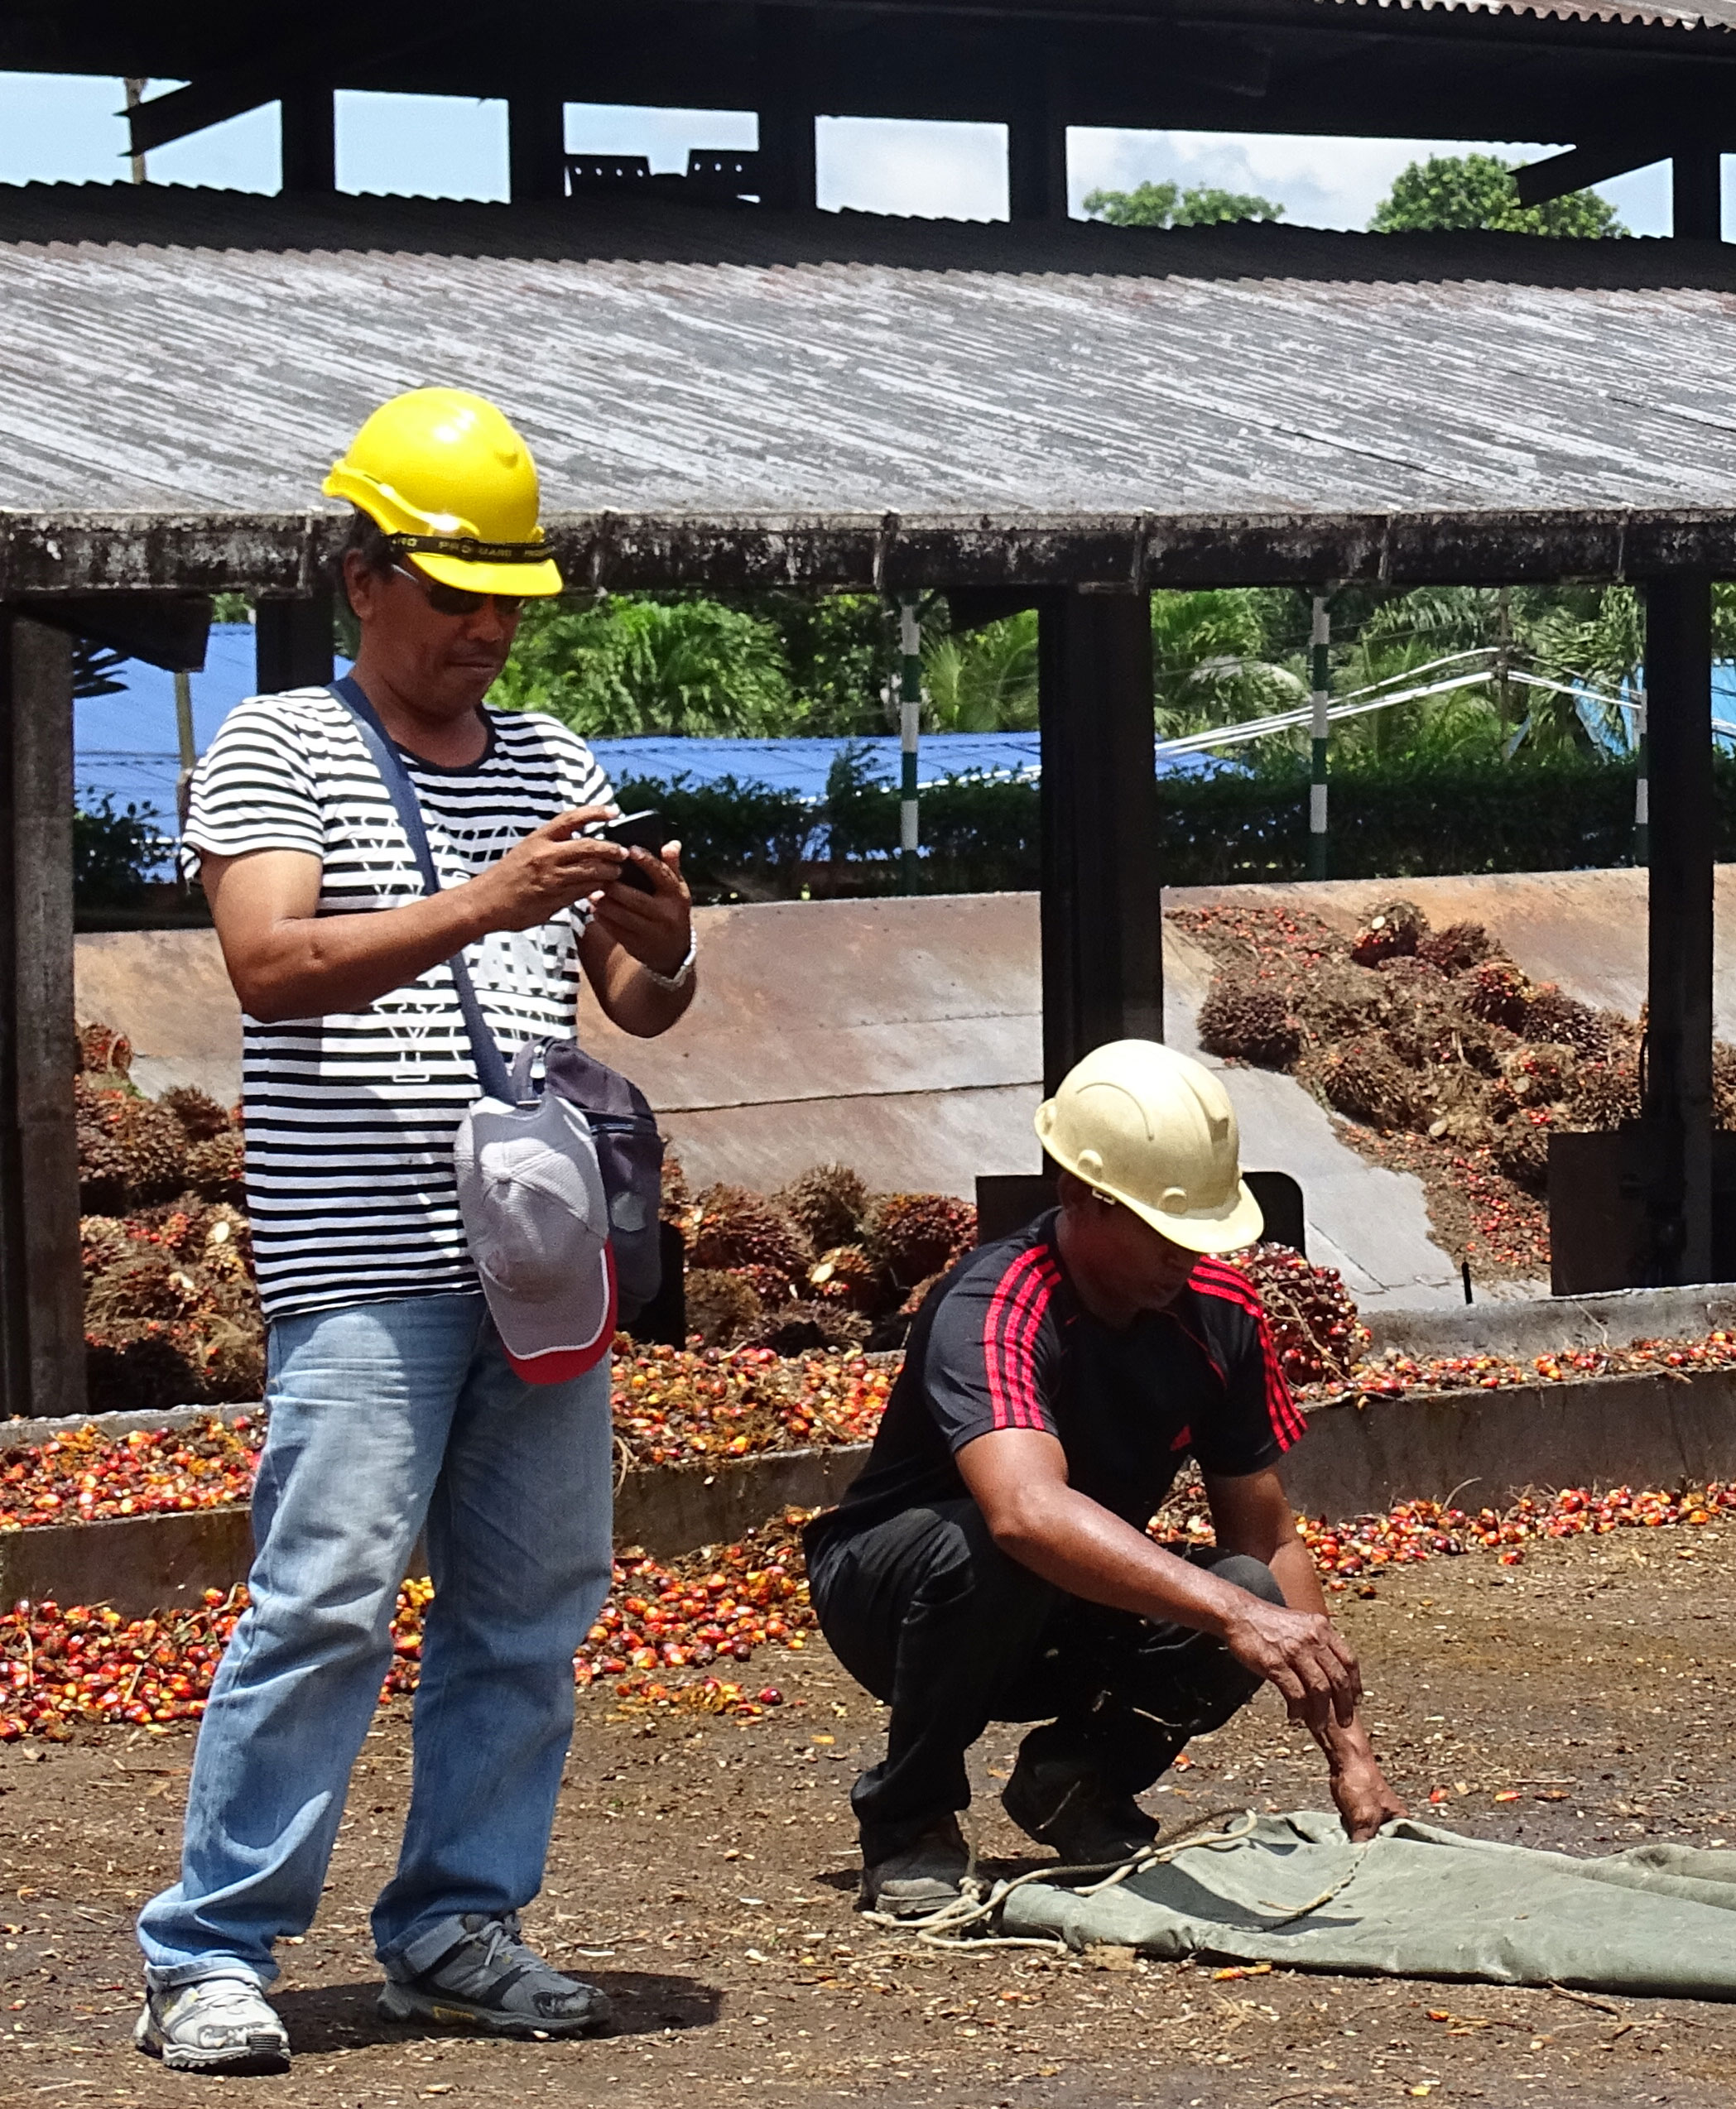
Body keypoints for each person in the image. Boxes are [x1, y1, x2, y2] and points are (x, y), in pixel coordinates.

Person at [137, 388, 702, 2073]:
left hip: (533, 1252)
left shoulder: (552, 759)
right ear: (361, 573)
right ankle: (211, 1947)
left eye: (507, 597)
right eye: (454, 591)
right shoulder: (278, 745)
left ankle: (458, 1922)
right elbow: (269, 964)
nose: (484, 627)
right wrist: (482, 898)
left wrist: (663, 938)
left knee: (533, 1599)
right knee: (325, 1594)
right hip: (364, 1255)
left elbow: (629, 1000)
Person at [805, 1040, 1409, 1913]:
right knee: (996, 1543)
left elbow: (1267, 1537)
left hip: (1058, 1608)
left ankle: (1075, 1778)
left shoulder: (1222, 1316)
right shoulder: (996, 1300)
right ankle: (910, 1820)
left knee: (1244, 1583)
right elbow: (1024, 1512)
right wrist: (1240, 1615)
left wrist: (1350, 1753)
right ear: (1083, 1201)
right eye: (1164, 1230)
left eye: (1197, 1232)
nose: (1184, 1257)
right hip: (896, 1597)